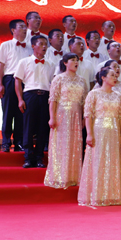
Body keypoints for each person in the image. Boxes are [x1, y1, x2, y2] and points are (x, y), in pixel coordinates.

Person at [78, 67, 121, 206]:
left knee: (112, 160)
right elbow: (88, 115)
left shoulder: (118, 96)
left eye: (116, 75)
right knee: (98, 160)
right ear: (103, 78)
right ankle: (96, 194)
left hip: (114, 130)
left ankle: (112, 195)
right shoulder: (93, 94)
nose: (115, 77)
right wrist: (89, 134)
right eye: (112, 75)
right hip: (98, 130)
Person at [45, 53, 88, 189]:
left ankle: (73, 177)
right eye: (72, 60)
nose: (76, 62)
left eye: (77, 60)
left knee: (75, 144)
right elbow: (53, 99)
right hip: (62, 115)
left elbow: (85, 102)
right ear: (65, 63)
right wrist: (52, 117)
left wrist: (84, 117)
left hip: (77, 115)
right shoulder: (59, 79)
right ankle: (59, 176)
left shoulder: (82, 80)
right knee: (61, 144)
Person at [14, 35, 53, 168]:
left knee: (42, 127)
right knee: (28, 127)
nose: (44, 46)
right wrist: (20, 99)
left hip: (45, 96)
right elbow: (18, 81)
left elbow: (53, 83)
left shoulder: (51, 64)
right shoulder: (24, 62)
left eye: (45, 44)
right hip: (30, 95)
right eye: (41, 44)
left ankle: (39, 157)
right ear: (33, 46)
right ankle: (28, 157)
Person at [0, 19, 32, 152]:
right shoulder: (5, 45)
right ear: (13, 30)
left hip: (25, 82)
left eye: (25, 27)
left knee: (21, 112)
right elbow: (0, 66)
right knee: (8, 112)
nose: (24, 29)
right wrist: (0, 84)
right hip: (10, 80)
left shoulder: (30, 47)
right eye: (21, 26)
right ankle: (5, 142)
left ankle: (19, 142)